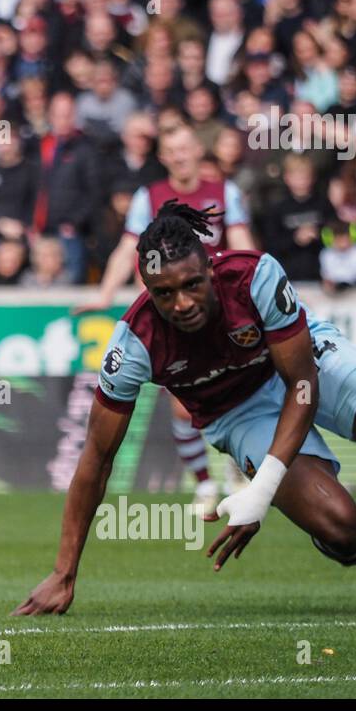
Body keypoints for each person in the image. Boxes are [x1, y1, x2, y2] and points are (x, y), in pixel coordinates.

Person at [15, 201, 356, 617]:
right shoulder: (134, 344)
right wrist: (64, 571)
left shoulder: (254, 276)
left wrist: (262, 486)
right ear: (146, 289)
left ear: (210, 266)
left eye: (191, 285)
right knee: (337, 524)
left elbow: (302, 384)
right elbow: (96, 458)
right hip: (238, 411)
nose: (181, 303)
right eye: (163, 294)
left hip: (298, 363)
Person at [83, 125, 255, 515]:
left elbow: (243, 244)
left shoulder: (225, 193)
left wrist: (255, 283)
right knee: (181, 403)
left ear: (198, 150)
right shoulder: (150, 197)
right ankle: (206, 485)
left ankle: (234, 469)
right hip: (175, 312)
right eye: (171, 151)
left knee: (239, 392)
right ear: (162, 157)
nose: (179, 156)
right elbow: (128, 246)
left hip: (221, 309)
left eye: (185, 148)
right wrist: (106, 294)